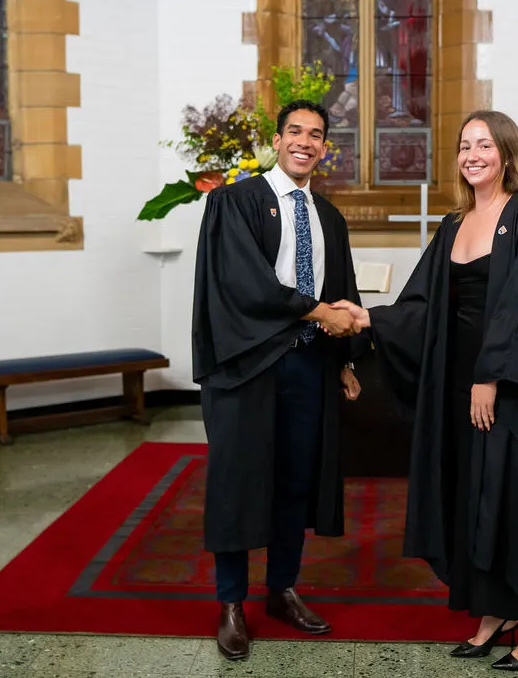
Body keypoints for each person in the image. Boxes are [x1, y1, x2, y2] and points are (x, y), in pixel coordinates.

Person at [333, 110, 518, 671]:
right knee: (470, 492)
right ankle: (493, 610)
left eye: (484, 145)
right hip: (454, 385)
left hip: (508, 386)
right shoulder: (454, 223)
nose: (472, 155)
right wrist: (370, 318)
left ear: (507, 154)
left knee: (514, 497)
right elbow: (424, 304)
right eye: (465, 145)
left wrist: (488, 378)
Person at [191, 99, 365, 661]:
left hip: (308, 365)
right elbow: (243, 284)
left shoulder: (329, 217)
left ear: (324, 147)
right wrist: (318, 312)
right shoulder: (233, 202)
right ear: (276, 139)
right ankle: (231, 603)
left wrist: (345, 360)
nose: (304, 142)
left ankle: (282, 588)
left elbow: (342, 288)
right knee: (239, 483)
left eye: (315, 135)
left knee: (295, 481)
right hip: (247, 365)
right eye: (295, 131)